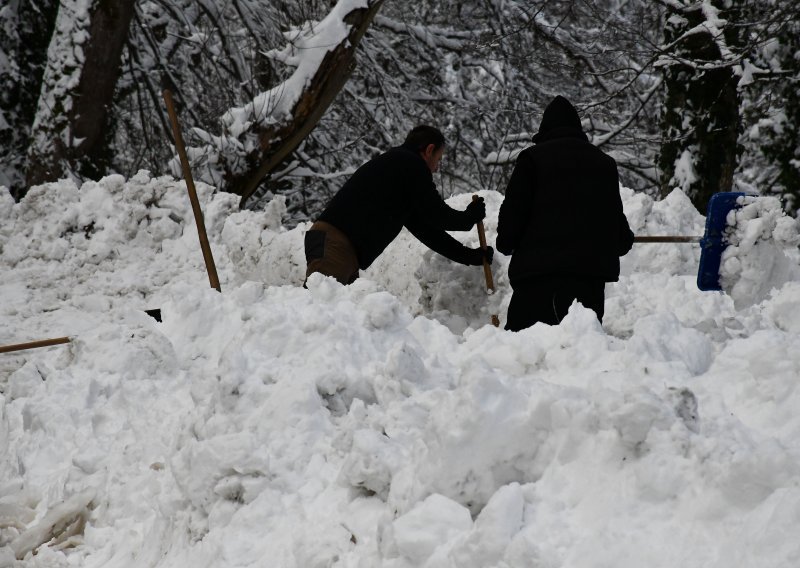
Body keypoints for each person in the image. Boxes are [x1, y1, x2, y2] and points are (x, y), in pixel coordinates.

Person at [496, 95, 634, 331]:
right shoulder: (604, 165)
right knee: (579, 355)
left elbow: (513, 214)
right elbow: (616, 227)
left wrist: (506, 243)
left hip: (538, 282)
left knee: (526, 358)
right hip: (589, 284)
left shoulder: (532, 160)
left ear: (544, 130)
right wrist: (621, 241)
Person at [304, 125, 493, 285]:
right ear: (429, 150)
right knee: (318, 315)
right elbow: (437, 214)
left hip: (339, 249)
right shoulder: (410, 164)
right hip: (334, 247)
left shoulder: (398, 173)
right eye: (438, 159)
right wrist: (468, 218)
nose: (436, 168)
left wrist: (468, 256)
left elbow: (427, 230)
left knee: (340, 322)